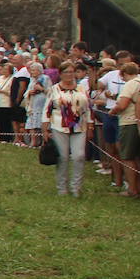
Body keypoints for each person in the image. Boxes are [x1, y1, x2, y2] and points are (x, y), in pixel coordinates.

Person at [43, 62, 91, 197]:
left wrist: (91, 123)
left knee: (79, 156)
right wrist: (45, 128)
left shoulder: (82, 88)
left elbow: (88, 108)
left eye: (71, 72)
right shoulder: (54, 89)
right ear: (61, 74)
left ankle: (76, 187)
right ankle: (62, 188)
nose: (69, 75)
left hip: (79, 126)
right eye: (66, 72)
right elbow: (47, 109)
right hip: (59, 125)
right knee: (62, 157)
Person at [112, 61, 140, 198]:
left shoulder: (131, 84)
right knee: (138, 157)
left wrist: (113, 111)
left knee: (127, 156)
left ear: (124, 74)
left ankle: (132, 189)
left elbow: (122, 104)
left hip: (129, 122)